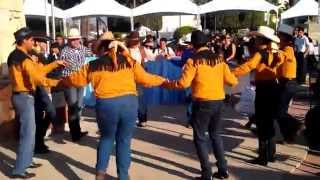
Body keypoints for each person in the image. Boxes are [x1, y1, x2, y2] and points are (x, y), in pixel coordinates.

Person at [61, 32, 166, 180]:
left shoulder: (92, 65)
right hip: (129, 103)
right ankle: (123, 176)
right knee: (124, 141)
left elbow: (74, 80)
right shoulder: (130, 62)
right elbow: (146, 79)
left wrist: (55, 81)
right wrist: (166, 81)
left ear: (101, 48)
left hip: (107, 105)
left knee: (106, 139)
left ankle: (100, 174)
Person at [163, 30, 238, 180]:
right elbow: (232, 81)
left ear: (193, 45)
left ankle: (206, 173)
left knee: (200, 138)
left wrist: (168, 84)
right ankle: (223, 170)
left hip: (202, 102)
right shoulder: (219, 59)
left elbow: (183, 83)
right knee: (216, 135)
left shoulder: (193, 61)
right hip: (218, 101)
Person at [7, 27, 65, 178]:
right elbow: (36, 78)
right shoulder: (23, 58)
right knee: (28, 133)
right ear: (24, 40)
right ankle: (19, 170)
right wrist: (54, 83)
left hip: (22, 96)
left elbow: (37, 72)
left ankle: (27, 161)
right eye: (32, 40)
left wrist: (54, 64)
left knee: (29, 132)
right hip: (24, 97)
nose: (34, 42)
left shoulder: (17, 55)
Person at [232, 26, 282, 166]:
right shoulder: (273, 52)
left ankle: (263, 157)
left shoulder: (260, 53)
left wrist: (231, 73)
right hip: (272, 87)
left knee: (261, 122)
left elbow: (248, 66)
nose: (254, 40)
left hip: (264, 89)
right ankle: (271, 154)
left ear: (261, 39)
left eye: (256, 38)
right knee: (269, 121)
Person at [60, 28, 90, 142]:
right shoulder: (65, 51)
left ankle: (77, 130)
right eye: (73, 39)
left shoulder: (82, 48)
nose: (75, 41)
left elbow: (93, 53)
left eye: (77, 39)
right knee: (73, 107)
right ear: (69, 41)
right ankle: (75, 133)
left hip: (80, 81)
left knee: (79, 106)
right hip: (70, 82)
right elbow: (68, 66)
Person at [276, 24, 298, 143]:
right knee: (279, 111)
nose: (277, 37)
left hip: (288, 84)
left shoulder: (288, 49)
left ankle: (295, 125)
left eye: (279, 35)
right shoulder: (284, 48)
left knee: (280, 112)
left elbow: (284, 57)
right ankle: (288, 136)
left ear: (284, 37)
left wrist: (276, 52)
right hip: (284, 83)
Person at [126, 31, 150, 127]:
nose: (136, 42)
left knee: (140, 98)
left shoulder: (141, 49)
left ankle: (142, 119)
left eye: (137, 40)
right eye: (134, 40)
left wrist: (144, 72)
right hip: (128, 76)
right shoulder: (126, 50)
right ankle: (130, 118)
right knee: (129, 99)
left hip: (139, 76)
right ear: (130, 41)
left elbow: (145, 61)